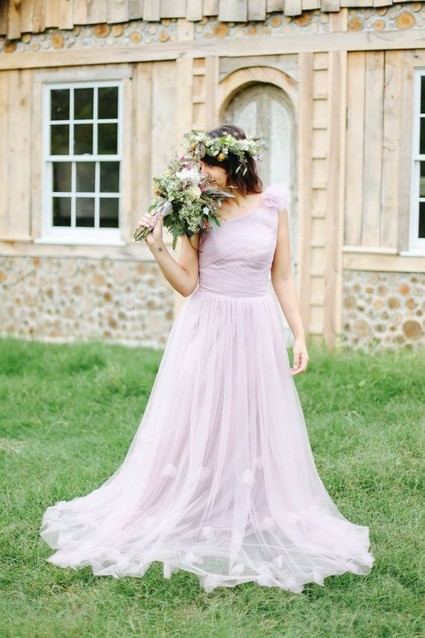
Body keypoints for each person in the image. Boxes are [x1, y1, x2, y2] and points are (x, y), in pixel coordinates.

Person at [40, 125, 373, 593]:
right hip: (209, 324)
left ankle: (249, 506)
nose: (203, 173)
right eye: (199, 164)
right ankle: (193, 502)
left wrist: (299, 334)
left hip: (256, 325)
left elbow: (282, 277)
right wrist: (157, 245)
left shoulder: (273, 207)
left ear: (235, 162)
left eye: (210, 164)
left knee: (252, 417)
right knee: (201, 416)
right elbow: (187, 284)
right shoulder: (196, 210)